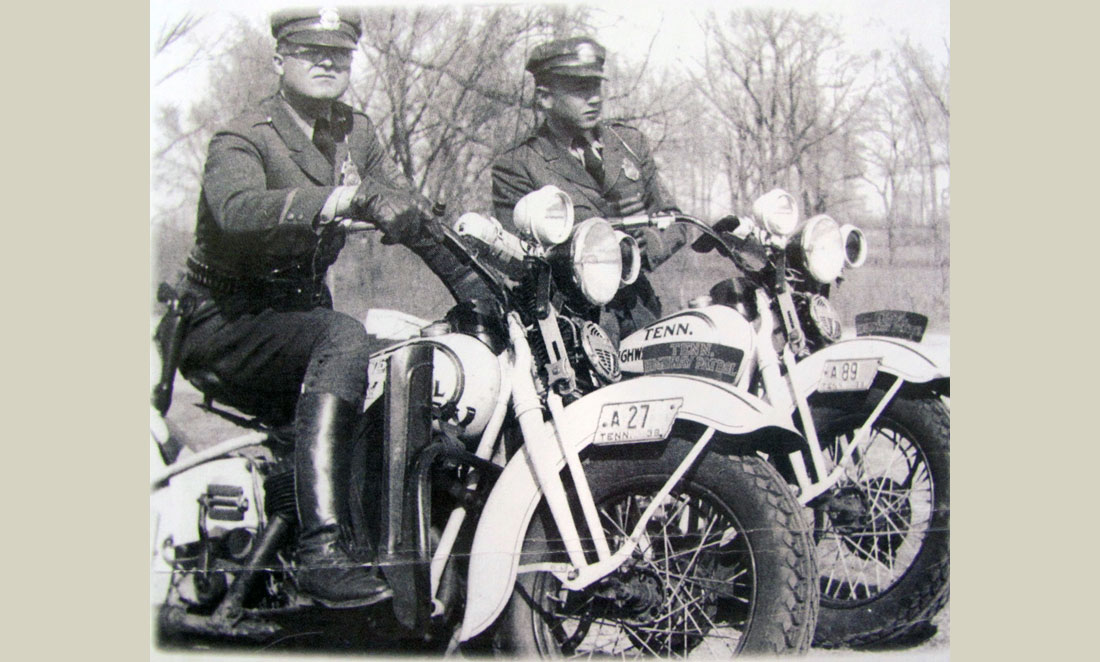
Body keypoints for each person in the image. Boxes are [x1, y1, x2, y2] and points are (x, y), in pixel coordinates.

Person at [171, 7, 486, 607]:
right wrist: (344, 196)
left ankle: (393, 550)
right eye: (310, 51)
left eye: (338, 54)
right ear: (278, 61)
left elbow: (399, 206)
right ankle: (321, 551)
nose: (326, 62)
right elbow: (237, 210)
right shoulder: (244, 136)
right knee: (343, 337)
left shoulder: (353, 132)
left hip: (297, 322)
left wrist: (472, 286)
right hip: (225, 321)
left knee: (405, 362)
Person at [491, 37, 690, 340]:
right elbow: (522, 258)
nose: (594, 99)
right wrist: (603, 250)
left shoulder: (628, 146)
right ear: (545, 98)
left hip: (642, 315)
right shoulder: (518, 165)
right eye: (580, 90)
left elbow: (675, 221)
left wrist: (644, 247)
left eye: (596, 87)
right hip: (570, 328)